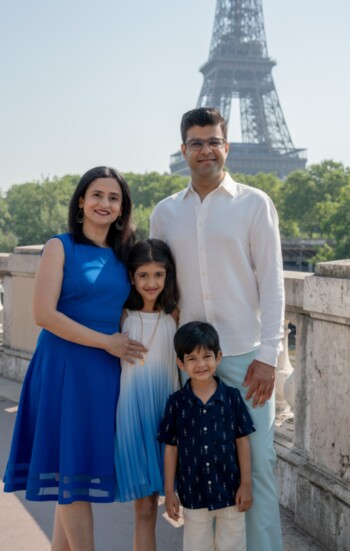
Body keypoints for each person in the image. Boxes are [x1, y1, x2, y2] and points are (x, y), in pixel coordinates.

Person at [150, 107, 285, 551]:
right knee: (198, 466)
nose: (205, 150)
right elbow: (159, 286)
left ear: (226, 147)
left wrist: (268, 355)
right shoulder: (165, 213)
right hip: (192, 361)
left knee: (258, 468)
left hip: (246, 359)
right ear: (183, 150)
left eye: (213, 141)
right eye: (196, 142)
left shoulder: (254, 203)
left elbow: (272, 282)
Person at [3, 166, 146, 551]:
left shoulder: (124, 256)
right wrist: (106, 342)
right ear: (81, 201)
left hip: (104, 374)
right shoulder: (59, 246)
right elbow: (43, 315)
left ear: (122, 209)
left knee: (77, 474)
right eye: (97, 195)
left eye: (114, 198)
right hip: (64, 369)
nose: (105, 203)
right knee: (73, 477)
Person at [158, 321, 255, 551]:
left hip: (231, 491)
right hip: (193, 493)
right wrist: (169, 491)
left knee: (233, 546)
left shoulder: (231, 398)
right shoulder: (176, 403)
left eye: (207, 356)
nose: (201, 364)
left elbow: (242, 441)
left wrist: (246, 484)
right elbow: (171, 448)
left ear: (218, 357)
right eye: (191, 358)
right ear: (180, 363)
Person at [114, 238, 180, 551]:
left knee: (172, 503)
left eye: (158, 275)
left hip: (166, 420)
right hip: (131, 420)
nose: (151, 282)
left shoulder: (174, 317)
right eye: (143, 275)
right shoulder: (121, 317)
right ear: (131, 277)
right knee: (144, 508)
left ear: (168, 276)